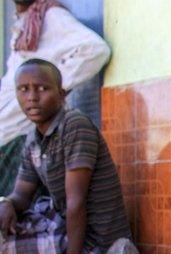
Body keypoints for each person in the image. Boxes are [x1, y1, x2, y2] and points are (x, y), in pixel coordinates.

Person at [0, 59, 136, 254]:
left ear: (62, 94)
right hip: (63, 231)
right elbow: (21, 196)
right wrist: (6, 203)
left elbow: (76, 201)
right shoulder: (33, 139)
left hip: (96, 246)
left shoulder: (74, 125)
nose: (32, 97)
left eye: (42, 88)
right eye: (24, 89)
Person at [0, 0, 110, 197]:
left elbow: (95, 50)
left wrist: (52, 89)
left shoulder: (50, 16)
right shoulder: (24, 22)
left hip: (20, 140)